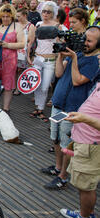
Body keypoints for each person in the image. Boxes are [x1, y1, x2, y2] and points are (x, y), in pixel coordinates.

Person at [42, 26, 100, 191]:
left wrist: (74, 59)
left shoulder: (95, 61)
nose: (85, 43)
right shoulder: (79, 53)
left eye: (89, 41)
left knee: (67, 143)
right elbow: (59, 73)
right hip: (59, 102)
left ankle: (63, 177)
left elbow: (77, 80)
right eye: (84, 39)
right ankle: (58, 167)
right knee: (56, 138)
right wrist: (60, 55)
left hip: (73, 108)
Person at [57, 82, 100, 218]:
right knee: (83, 184)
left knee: (86, 186)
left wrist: (84, 119)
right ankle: (88, 214)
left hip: (91, 146)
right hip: (83, 142)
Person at [0, 4, 25, 113]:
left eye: (8, 16)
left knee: (8, 85)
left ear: (12, 16)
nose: (5, 18)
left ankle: (6, 108)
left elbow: (22, 44)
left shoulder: (17, 26)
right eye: (3, 16)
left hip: (10, 60)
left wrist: (8, 45)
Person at [13, 8, 35, 96]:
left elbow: (31, 40)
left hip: (24, 50)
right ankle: (14, 86)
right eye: (16, 16)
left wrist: (28, 55)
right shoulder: (15, 24)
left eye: (19, 16)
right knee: (14, 69)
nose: (17, 18)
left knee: (21, 70)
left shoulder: (31, 26)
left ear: (24, 16)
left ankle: (19, 87)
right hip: (14, 48)